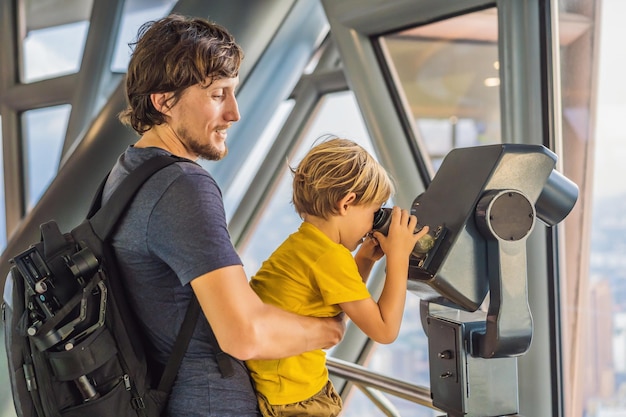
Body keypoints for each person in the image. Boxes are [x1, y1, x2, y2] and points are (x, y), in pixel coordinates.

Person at [105, 14, 345, 417]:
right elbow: (244, 334)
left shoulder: (125, 172)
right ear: (163, 101)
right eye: (218, 94)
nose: (234, 113)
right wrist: (330, 330)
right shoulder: (182, 186)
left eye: (233, 93)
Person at [246, 138, 430, 417]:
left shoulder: (306, 245)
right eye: (373, 212)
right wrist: (399, 258)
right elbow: (385, 330)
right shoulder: (329, 257)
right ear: (347, 203)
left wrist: (366, 259)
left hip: (282, 388)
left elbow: (341, 297)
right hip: (296, 401)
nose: (372, 224)